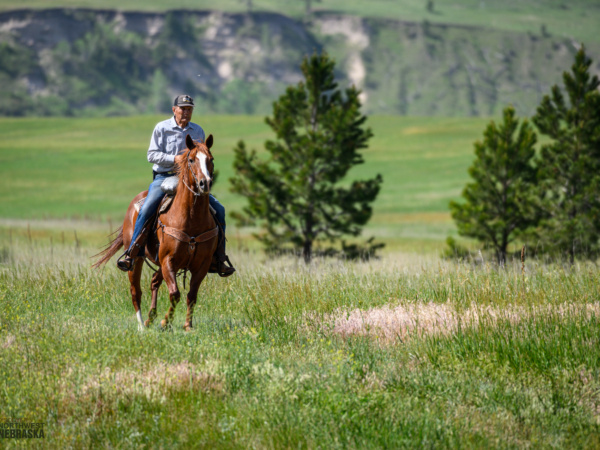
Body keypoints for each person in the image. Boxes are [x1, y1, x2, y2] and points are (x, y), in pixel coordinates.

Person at [117, 94, 236, 277]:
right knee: (147, 207)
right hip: (164, 177)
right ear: (174, 110)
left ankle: (219, 258)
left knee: (219, 209)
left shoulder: (198, 131)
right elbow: (152, 155)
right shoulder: (161, 128)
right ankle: (132, 253)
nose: (186, 112)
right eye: (182, 109)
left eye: (189, 109)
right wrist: (175, 159)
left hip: (190, 181)